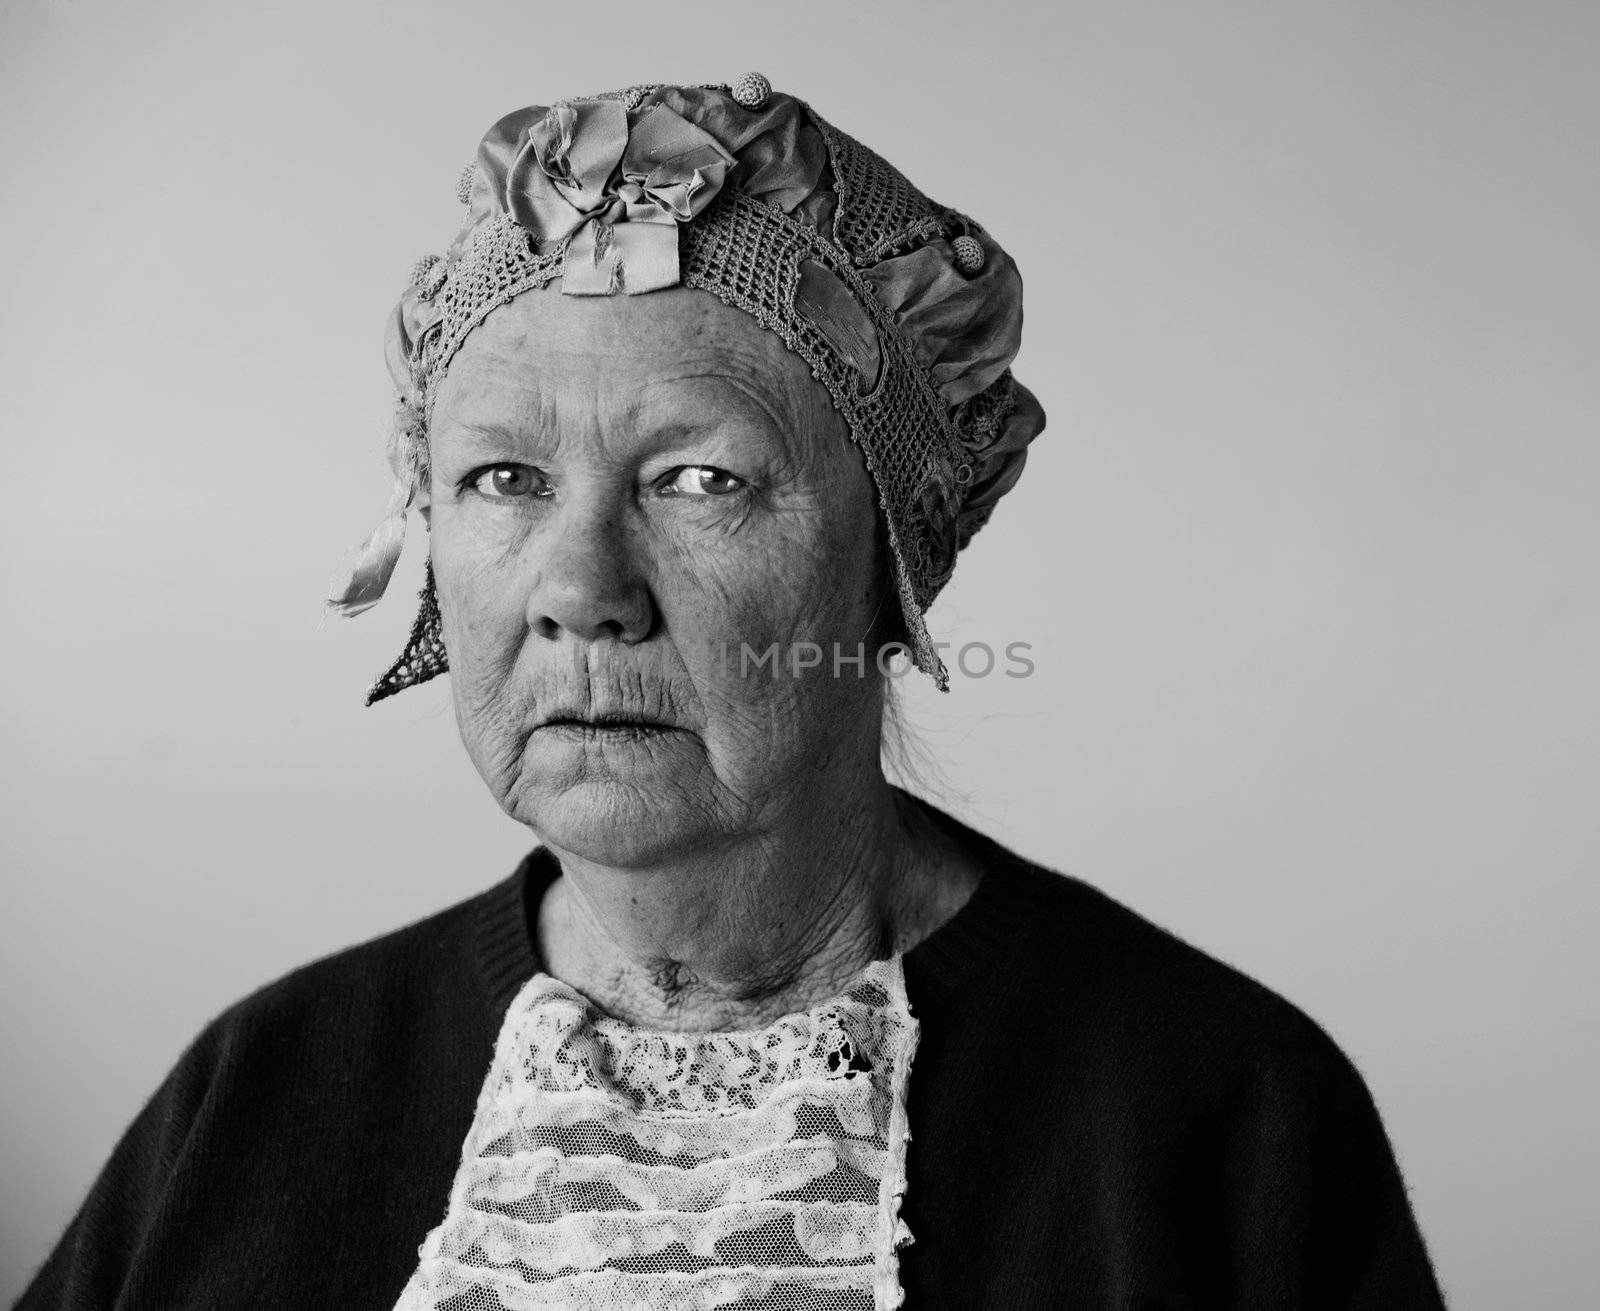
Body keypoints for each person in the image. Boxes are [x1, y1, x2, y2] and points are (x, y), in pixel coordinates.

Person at [15, 76, 1450, 1310]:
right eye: (503, 479)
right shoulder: (259, 1094)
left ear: (889, 561)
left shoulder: (1217, 1116)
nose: (583, 588)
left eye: (699, 479)